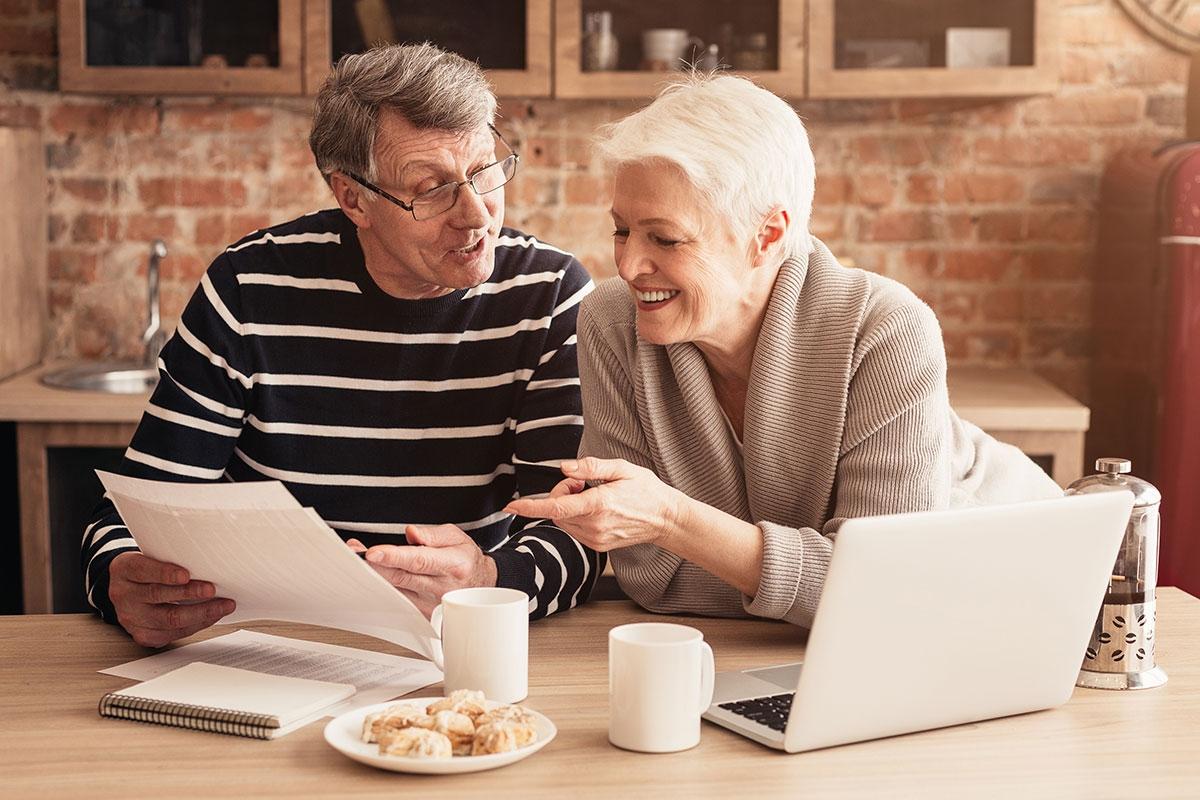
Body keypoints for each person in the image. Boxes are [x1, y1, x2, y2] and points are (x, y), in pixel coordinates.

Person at [82, 44, 601, 648]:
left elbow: (578, 534)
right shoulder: (249, 287)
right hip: (270, 642)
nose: (475, 215)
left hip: (459, 644)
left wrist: (489, 579)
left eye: (484, 171)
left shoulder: (549, 293)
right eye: (430, 188)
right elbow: (138, 510)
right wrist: (119, 577)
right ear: (353, 198)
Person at [507, 75, 1061, 627]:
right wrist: (823, 578)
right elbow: (653, 579)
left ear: (768, 236)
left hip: (1025, 593)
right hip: (823, 643)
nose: (629, 266)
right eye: (622, 231)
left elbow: (887, 594)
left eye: (665, 238)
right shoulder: (611, 321)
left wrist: (674, 521)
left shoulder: (886, 328)